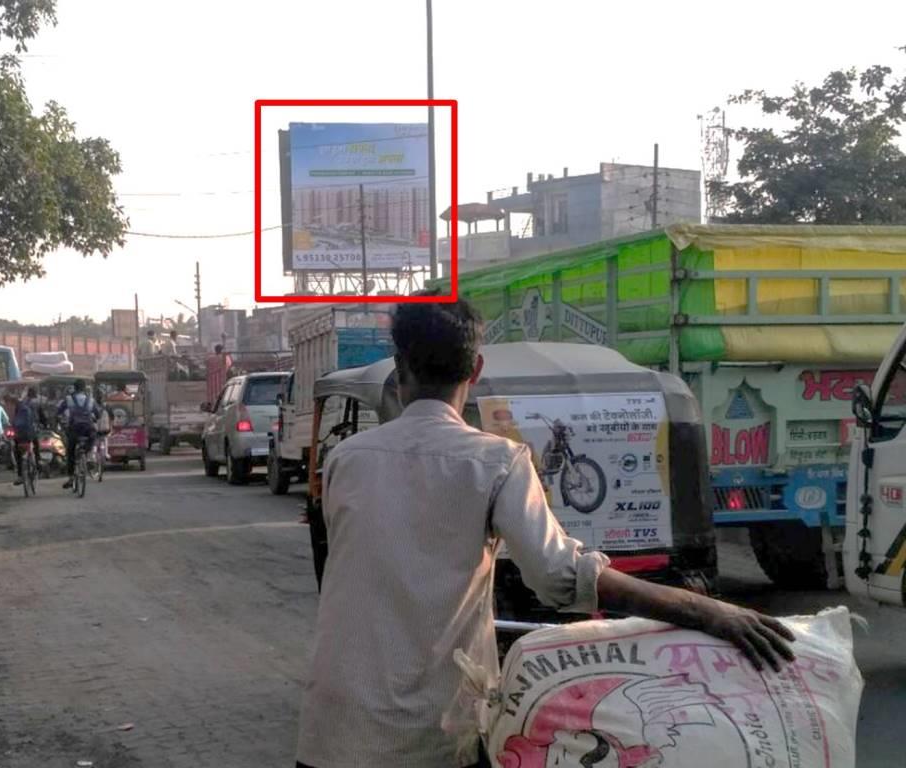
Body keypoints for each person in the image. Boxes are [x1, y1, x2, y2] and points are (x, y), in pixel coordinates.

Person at [294, 297, 795, 768]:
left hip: (333, 728)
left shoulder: (345, 459)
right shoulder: (496, 460)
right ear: (475, 370)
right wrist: (705, 610)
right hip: (431, 735)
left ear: (400, 367)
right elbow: (560, 576)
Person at [57, 378, 102, 489]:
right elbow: (98, 414)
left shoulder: (68, 399)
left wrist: (60, 420)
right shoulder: (90, 400)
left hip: (74, 429)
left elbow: (59, 412)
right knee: (93, 438)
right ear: (84, 388)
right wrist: (94, 418)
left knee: (70, 451)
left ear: (75, 388)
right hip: (88, 428)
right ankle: (89, 457)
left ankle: (71, 478)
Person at [11, 387, 46, 486]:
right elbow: (43, 418)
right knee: (36, 445)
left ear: (27, 394)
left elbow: (16, 418)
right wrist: (45, 424)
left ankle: (20, 475)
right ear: (35, 394)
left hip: (20, 433)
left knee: (17, 451)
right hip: (32, 432)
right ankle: (38, 463)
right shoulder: (37, 404)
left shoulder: (20, 403)